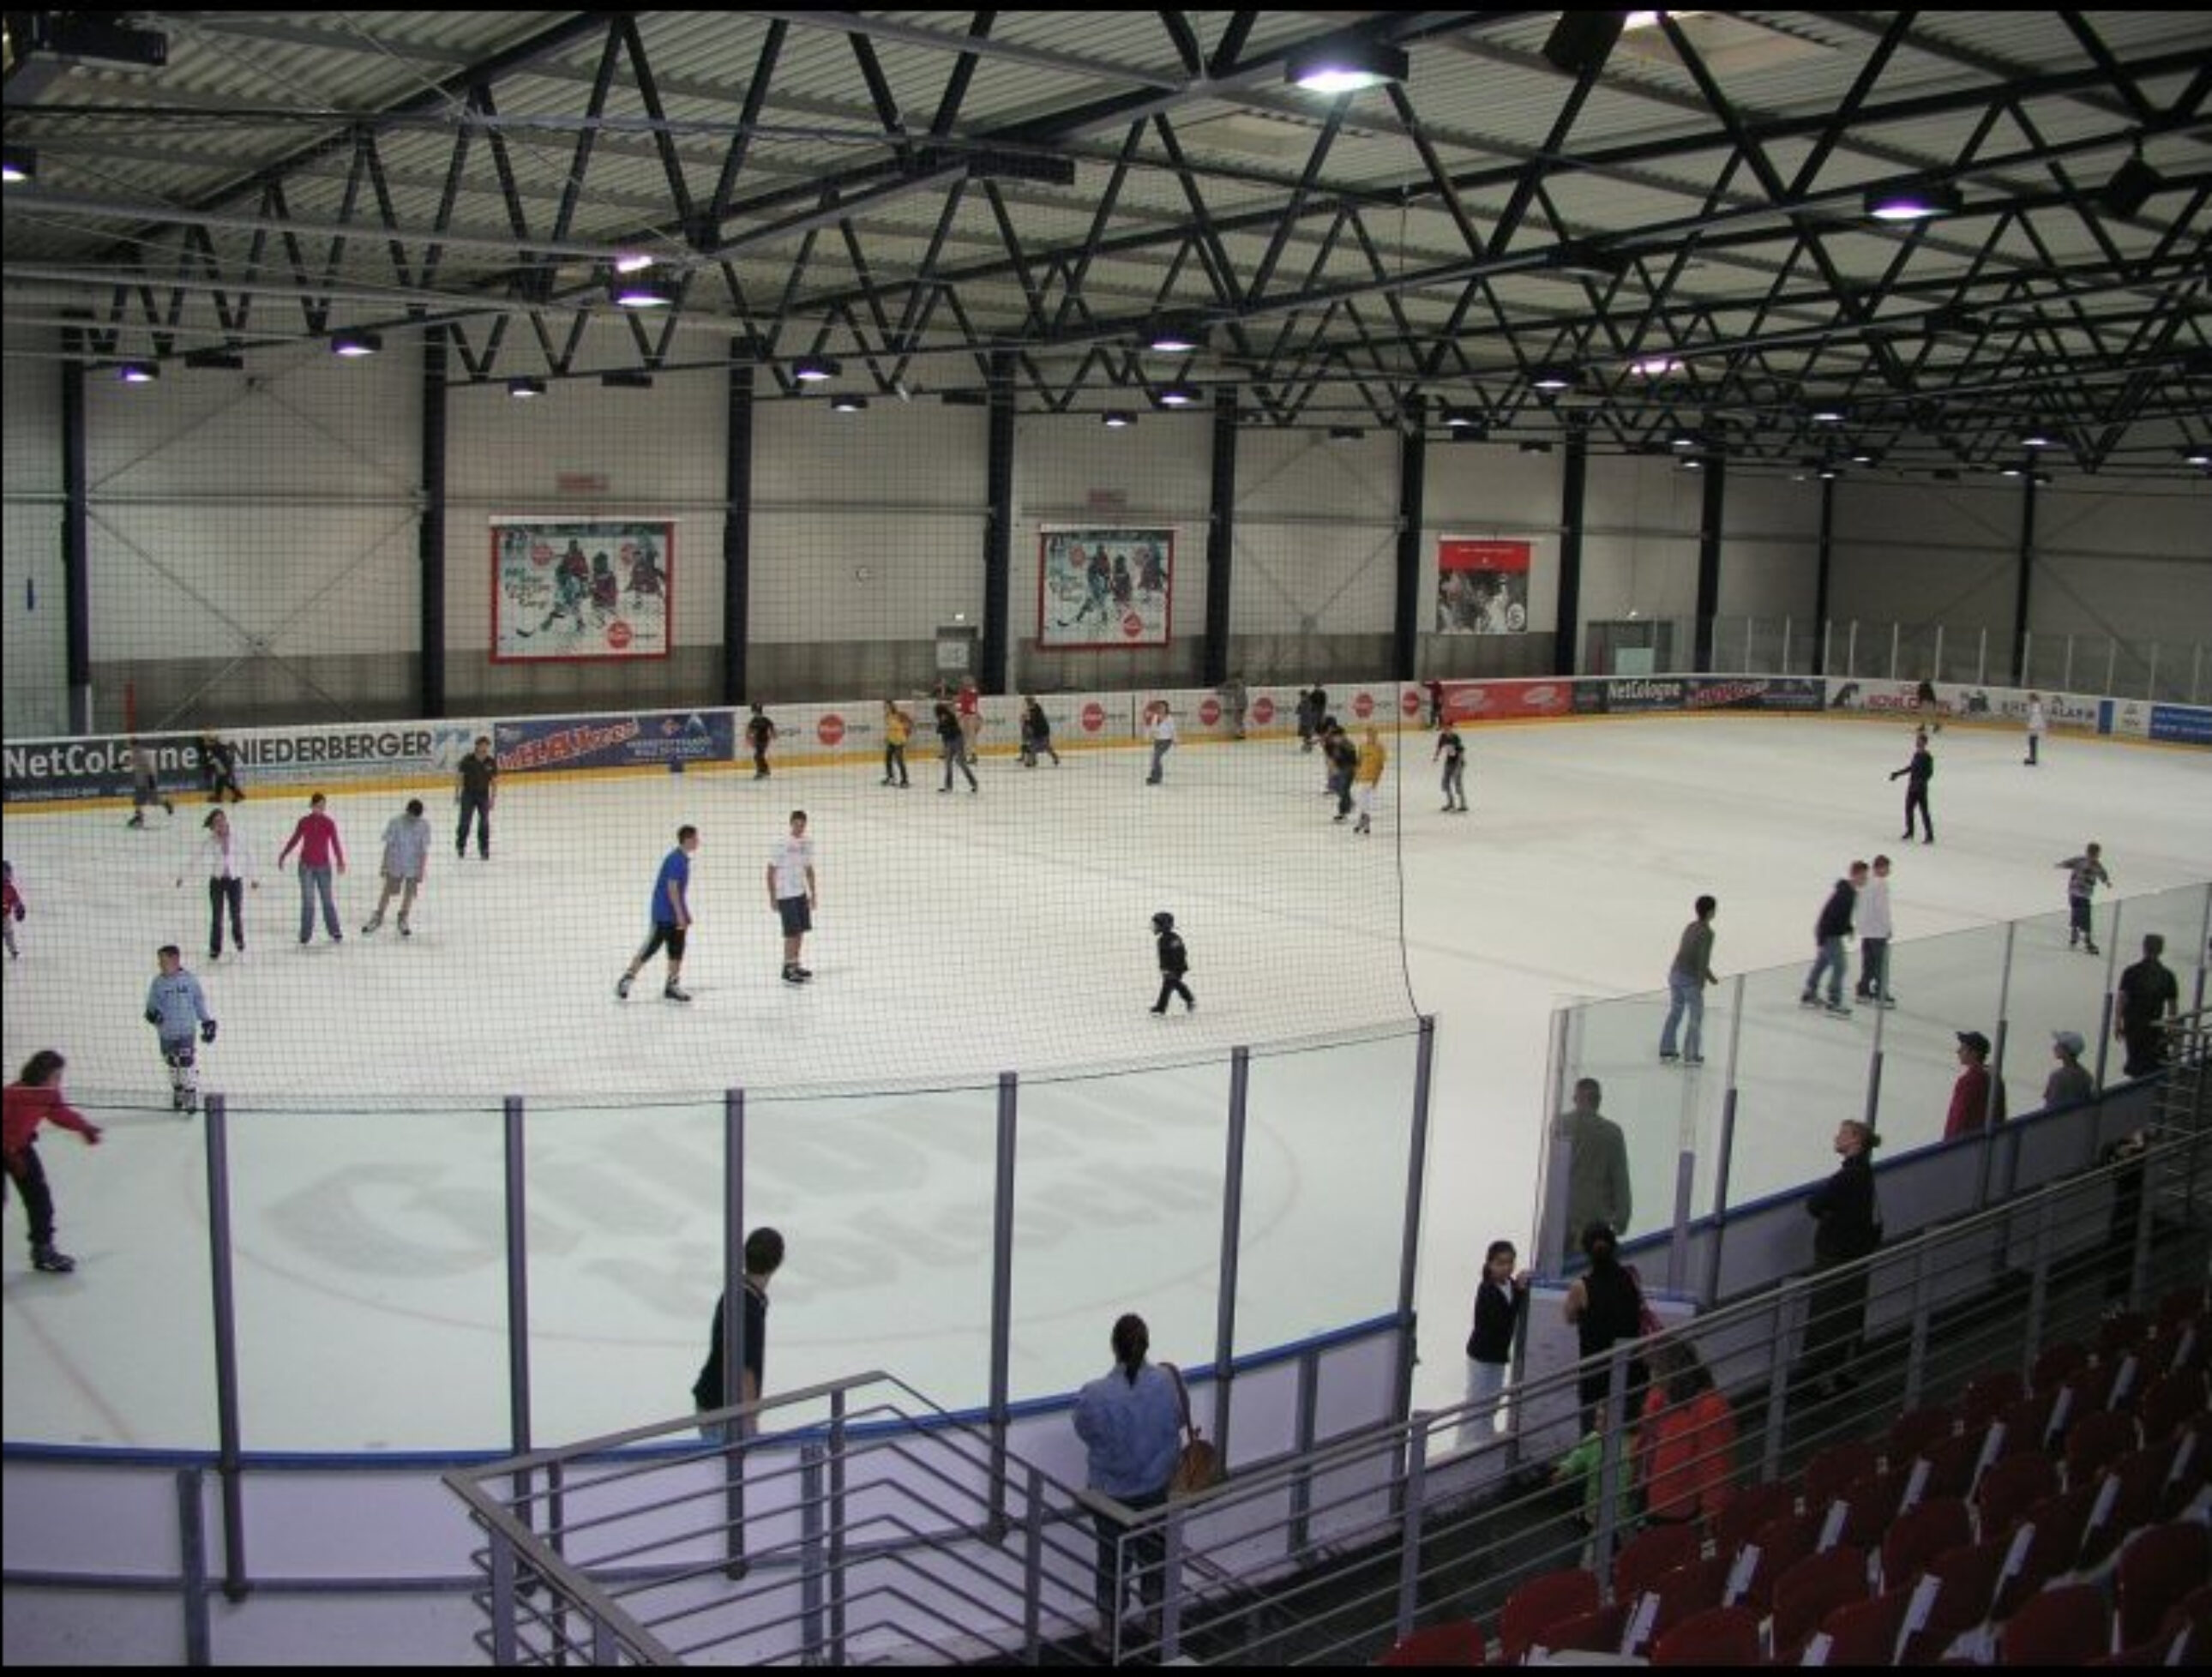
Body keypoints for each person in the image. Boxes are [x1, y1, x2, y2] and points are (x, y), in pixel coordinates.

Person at [1071, 1313, 1184, 1652]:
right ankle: (1156, 1621)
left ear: (1114, 1346)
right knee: (1154, 1555)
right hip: (1155, 1487)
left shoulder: (1095, 1395)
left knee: (1111, 1561)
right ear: (1146, 1345)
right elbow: (1177, 1419)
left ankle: (1109, 1631)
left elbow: (1085, 1429)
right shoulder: (1166, 1382)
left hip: (1111, 1494)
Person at [1794, 1120, 1882, 1402]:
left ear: (1855, 1140)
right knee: (1849, 1317)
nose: (1836, 1137)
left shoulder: (1847, 1177)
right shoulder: (1866, 1175)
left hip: (1836, 1259)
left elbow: (1814, 1205)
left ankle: (1824, 1379)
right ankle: (1844, 1370)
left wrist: (1829, 1217)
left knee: (1828, 1318)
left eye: (1842, 1133)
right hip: (1856, 1258)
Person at [3, 1050, 102, 1275]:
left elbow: (61, 1114)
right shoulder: (11, 1095)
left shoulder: (48, 1094)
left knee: (40, 1200)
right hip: (7, 1150)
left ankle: (43, 1250)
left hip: (21, 1148)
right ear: (41, 1074)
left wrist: (84, 1127)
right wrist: (10, 1154)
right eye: (56, 1075)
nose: (59, 1080)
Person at [691, 1226, 785, 1443]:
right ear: (779, 1262)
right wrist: (749, 1422)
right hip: (722, 1410)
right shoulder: (748, 1306)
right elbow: (745, 1370)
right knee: (732, 1459)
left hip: (713, 1400)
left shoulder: (739, 1291)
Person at [1635, 1339, 1737, 1529]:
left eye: (1655, 1371)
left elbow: (1715, 1467)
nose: (1652, 1380)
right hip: (1652, 1495)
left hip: (1682, 1506)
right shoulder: (1658, 1397)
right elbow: (1645, 1444)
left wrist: (1712, 1513)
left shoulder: (1709, 1408)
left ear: (1673, 1371)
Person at [1563, 1221, 1648, 1432]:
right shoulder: (1631, 1277)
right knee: (1629, 1434)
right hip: (1631, 1370)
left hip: (1596, 1373)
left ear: (1586, 1251)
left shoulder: (1581, 1287)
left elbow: (1569, 1317)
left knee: (1592, 1437)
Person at [618, 825, 699, 1003]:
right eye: (695, 838)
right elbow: (672, 889)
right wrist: (679, 914)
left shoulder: (682, 859)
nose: (698, 842)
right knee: (650, 948)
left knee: (677, 949)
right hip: (664, 914)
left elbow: (678, 891)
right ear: (687, 840)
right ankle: (627, 979)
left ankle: (672, 985)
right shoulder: (675, 860)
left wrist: (684, 913)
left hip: (676, 913)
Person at [1554, 1079, 1632, 1258]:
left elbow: (1552, 1173)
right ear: (1598, 1100)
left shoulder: (1560, 1125)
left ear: (1575, 1098)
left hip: (1562, 1219)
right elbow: (1620, 1180)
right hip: (1596, 1223)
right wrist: (1621, 1220)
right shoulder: (1612, 1132)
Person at [1464, 1239, 1529, 1440]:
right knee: (1477, 1401)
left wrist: (1519, 1288)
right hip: (1482, 1355)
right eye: (1500, 1263)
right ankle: (1470, 1441)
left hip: (1498, 1354)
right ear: (1490, 1264)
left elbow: (1512, 1308)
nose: (1506, 1268)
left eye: (1510, 1262)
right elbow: (1503, 1319)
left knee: (1493, 1401)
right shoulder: (1487, 1289)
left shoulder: (1510, 1285)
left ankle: (1485, 1436)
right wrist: (1520, 1291)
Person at [145, 945, 217, 1115]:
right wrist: (153, 1015)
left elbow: (198, 1002)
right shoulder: (158, 983)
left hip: (186, 1030)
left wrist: (207, 1021)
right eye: (160, 961)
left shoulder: (189, 980)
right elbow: (151, 1005)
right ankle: (177, 1089)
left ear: (176, 960)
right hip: (167, 1032)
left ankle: (190, 1093)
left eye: (164, 961)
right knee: (172, 1064)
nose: (160, 965)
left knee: (186, 1062)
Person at [181, 808, 257, 961]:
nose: (221, 823)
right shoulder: (210, 840)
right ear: (213, 825)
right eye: (217, 822)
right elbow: (196, 857)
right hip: (217, 881)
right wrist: (183, 876)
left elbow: (249, 855)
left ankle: (239, 941)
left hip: (235, 881)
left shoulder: (237, 836)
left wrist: (254, 878)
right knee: (217, 917)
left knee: (235, 914)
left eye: (222, 819)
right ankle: (215, 948)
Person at [277, 792, 347, 947]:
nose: (320, 809)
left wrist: (340, 860)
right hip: (306, 867)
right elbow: (295, 839)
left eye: (323, 806)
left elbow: (335, 843)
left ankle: (334, 930)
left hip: (323, 867)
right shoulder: (304, 822)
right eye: (317, 806)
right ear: (312, 806)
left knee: (327, 900)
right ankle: (305, 934)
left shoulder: (329, 823)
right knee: (308, 901)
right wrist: (284, 854)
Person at [1800, 862, 1867, 1017]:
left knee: (1822, 963)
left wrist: (1848, 928)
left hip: (1829, 933)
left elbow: (1841, 916)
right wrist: (1823, 937)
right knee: (1840, 966)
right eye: (1863, 876)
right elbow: (1831, 915)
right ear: (1855, 875)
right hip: (1830, 934)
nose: (1865, 879)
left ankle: (1809, 993)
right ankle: (1833, 1001)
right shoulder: (1845, 893)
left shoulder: (1849, 892)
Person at [1659, 896, 1719, 1065]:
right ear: (1710, 912)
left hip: (1675, 974)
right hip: (1689, 979)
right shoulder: (1707, 933)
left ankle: (1667, 1049)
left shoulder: (1690, 926)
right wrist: (1703, 981)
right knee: (1695, 1016)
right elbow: (1702, 959)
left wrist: (1710, 977)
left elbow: (1686, 950)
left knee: (1675, 1012)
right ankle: (1691, 1053)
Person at [363, 798, 430, 937]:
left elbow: (424, 850)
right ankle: (379, 914)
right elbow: (388, 845)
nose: (414, 819)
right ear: (407, 812)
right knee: (387, 890)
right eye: (412, 816)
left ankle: (403, 916)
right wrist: (384, 865)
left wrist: (421, 870)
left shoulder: (424, 825)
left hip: (413, 865)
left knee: (409, 893)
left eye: (417, 817)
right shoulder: (395, 822)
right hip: (395, 863)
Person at [2115, 934, 2179, 1079]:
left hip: (2134, 1024)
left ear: (2144, 948)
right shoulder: (2167, 975)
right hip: (2154, 1025)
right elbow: (2172, 1006)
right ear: (2161, 950)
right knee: (2153, 1061)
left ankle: (2138, 1084)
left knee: (2136, 1060)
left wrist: (2118, 1022)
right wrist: (2172, 1028)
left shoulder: (2131, 972)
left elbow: (2122, 999)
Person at [768, 810, 817, 987]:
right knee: (791, 933)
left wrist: (813, 893)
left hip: (800, 893)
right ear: (791, 824)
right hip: (785, 894)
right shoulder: (781, 843)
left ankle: (795, 963)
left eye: (802, 825)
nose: (799, 828)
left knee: (801, 930)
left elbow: (809, 869)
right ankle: (787, 969)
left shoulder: (807, 843)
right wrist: (773, 897)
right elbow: (770, 871)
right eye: (797, 824)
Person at [1944, 1030, 2006, 1139]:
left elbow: (1959, 1116)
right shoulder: (1994, 1079)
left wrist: (1948, 1143)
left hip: (1965, 1142)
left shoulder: (1970, 1080)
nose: (1958, 1051)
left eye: (1963, 1048)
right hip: (1986, 1140)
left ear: (1974, 1053)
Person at [1855, 853, 1896, 1007]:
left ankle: (1863, 992)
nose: (1889, 871)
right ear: (1881, 867)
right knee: (1881, 964)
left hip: (1866, 931)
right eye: (1887, 867)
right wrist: (1888, 927)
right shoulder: (1881, 884)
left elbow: (1860, 905)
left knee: (1868, 964)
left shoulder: (1866, 881)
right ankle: (1880, 994)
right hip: (1878, 931)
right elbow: (1882, 908)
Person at [2058, 844, 2111, 955]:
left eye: (2095, 854)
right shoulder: (2081, 861)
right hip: (2075, 893)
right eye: (2092, 854)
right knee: (2077, 914)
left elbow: (2103, 875)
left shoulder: (2096, 865)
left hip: (2084, 895)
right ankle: (2077, 937)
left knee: (2084, 916)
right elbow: (2069, 863)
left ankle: (2083, 938)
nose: (2094, 856)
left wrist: (2106, 882)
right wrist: (2061, 864)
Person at [456, 735, 498, 860]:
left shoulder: (491, 762)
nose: (485, 748)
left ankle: (484, 849)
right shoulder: (467, 760)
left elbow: (494, 781)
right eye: (482, 745)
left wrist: (492, 798)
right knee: (465, 822)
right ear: (477, 746)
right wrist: (457, 793)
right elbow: (460, 777)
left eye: (487, 746)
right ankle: (461, 845)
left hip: (483, 795)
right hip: (468, 795)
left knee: (484, 823)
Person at [1890, 734, 1934, 843]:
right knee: (1908, 810)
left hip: (1921, 789)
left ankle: (1930, 835)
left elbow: (1930, 773)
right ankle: (1910, 832)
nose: (1917, 742)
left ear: (1924, 743)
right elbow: (1911, 768)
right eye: (1917, 740)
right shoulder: (1916, 755)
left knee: (1924, 812)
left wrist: (1921, 782)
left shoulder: (1927, 756)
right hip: (1912, 787)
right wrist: (1897, 774)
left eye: (1919, 741)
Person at [1149, 911, 1194, 1015]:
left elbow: (1179, 953)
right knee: (1170, 986)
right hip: (1172, 968)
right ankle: (1162, 1007)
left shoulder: (1168, 939)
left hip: (1174, 968)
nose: (1154, 927)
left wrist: (1170, 969)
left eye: (1157, 925)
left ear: (1164, 926)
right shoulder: (1167, 938)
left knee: (1172, 985)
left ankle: (1189, 1000)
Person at [125, 739, 174, 828]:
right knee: (137, 800)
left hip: (148, 780)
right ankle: (139, 818)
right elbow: (131, 761)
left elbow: (149, 767)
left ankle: (165, 802)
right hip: (140, 781)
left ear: (133, 745)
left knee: (153, 800)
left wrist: (151, 779)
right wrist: (120, 765)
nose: (127, 745)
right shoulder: (135, 753)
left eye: (128, 744)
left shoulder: (142, 754)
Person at [2043, 1030, 2095, 1109]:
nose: (2055, 1047)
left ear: (2067, 1050)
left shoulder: (2057, 1077)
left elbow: (2049, 1109)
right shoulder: (2086, 1076)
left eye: (2059, 1044)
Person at [935, 699, 977, 794]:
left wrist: (943, 728)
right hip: (949, 742)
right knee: (948, 765)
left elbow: (951, 730)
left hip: (957, 740)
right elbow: (938, 730)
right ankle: (948, 787)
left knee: (961, 763)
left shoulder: (950, 716)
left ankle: (974, 784)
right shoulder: (941, 719)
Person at [1351, 726, 1386, 836]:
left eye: (1373, 735)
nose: (1371, 737)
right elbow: (1359, 762)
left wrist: (1377, 779)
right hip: (1362, 778)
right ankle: (1364, 822)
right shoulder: (1362, 746)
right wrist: (1356, 775)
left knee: (1366, 800)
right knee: (1362, 801)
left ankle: (1363, 822)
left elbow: (1381, 766)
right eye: (1369, 735)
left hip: (1371, 779)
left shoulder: (1380, 748)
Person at [1324, 721, 1360, 822]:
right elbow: (1330, 758)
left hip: (1349, 769)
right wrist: (1333, 769)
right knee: (1334, 786)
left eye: (1338, 736)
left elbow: (1354, 762)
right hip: (1338, 768)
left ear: (1343, 736)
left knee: (1344, 789)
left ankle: (1343, 813)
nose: (1335, 738)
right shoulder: (1330, 744)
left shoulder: (1349, 746)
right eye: (1334, 737)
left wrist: (1356, 773)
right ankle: (1349, 802)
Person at [199, 731, 245, 803]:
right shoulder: (221, 746)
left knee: (220, 781)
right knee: (224, 782)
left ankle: (220, 797)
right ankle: (238, 794)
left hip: (224, 767)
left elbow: (207, 744)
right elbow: (209, 745)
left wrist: (205, 737)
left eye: (212, 740)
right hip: (225, 766)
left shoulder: (216, 747)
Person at [1434, 722, 1468, 814]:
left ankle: (1463, 804)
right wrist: (1436, 756)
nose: (1446, 731)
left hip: (1458, 762)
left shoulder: (1456, 738)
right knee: (1445, 782)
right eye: (1445, 729)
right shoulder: (1442, 737)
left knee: (1457, 782)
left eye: (1448, 729)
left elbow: (1461, 752)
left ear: (1452, 729)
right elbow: (1439, 747)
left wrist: (1458, 766)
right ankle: (1451, 803)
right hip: (1449, 762)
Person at [1019, 695, 1061, 767]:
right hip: (1036, 730)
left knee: (1045, 746)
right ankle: (1032, 760)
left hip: (1042, 730)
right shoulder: (1031, 710)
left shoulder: (1037, 709)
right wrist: (1026, 721)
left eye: (1028, 701)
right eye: (1027, 702)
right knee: (1033, 745)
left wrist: (1026, 721)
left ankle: (1055, 757)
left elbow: (1033, 720)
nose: (1027, 703)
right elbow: (1030, 721)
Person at [1144, 701, 1176, 785]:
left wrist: (1175, 740)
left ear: (1166, 708)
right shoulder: (1155, 716)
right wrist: (1150, 735)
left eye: (1163, 707)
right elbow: (1153, 727)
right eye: (1160, 707)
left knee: (1156, 757)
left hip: (1166, 741)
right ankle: (1154, 777)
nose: (1161, 708)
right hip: (1157, 741)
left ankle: (1156, 778)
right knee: (1155, 759)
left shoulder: (1169, 718)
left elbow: (1173, 730)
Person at [881, 700, 912, 788]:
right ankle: (890, 777)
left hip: (899, 741)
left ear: (892, 706)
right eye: (885, 707)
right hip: (891, 741)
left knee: (899, 761)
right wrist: (887, 737)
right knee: (887, 759)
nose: (885, 708)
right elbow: (890, 728)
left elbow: (909, 724)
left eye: (887, 706)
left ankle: (905, 780)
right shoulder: (887, 717)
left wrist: (906, 735)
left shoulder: (900, 715)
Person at [745, 705, 777, 780]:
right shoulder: (755, 720)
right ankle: (765, 770)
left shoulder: (763, 720)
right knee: (759, 756)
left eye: (754, 711)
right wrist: (749, 738)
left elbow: (771, 726)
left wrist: (773, 733)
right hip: (758, 740)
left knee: (758, 756)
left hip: (764, 740)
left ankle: (761, 771)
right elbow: (749, 730)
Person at [957, 678, 983, 766]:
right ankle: (964, 755)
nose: (966, 686)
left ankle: (972, 755)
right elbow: (961, 706)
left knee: (971, 737)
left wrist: (975, 714)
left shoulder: (972, 692)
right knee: (964, 737)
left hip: (970, 716)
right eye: (965, 684)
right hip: (966, 716)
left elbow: (971, 705)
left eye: (968, 684)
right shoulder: (963, 693)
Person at [2, 861, 23, 960]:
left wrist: (19, 908)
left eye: (8, 872)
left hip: (5, 916)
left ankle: (13, 951)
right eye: (5, 873)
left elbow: (16, 900)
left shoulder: (10, 889)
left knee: (9, 933)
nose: (7, 875)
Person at [1218, 674, 1247, 741]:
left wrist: (1222, 691)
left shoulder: (1239, 686)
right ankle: (1241, 733)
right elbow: (1231, 690)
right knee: (1239, 720)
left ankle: (1240, 734)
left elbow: (1232, 693)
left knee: (1238, 720)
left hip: (1240, 704)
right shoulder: (1240, 685)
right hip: (1243, 704)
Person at [2023, 692, 2047, 766]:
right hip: (2036, 726)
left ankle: (2033, 759)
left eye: (2029, 698)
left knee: (2032, 742)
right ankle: (2032, 757)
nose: (2028, 700)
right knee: (2032, 742)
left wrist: (2032, 726)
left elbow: (2035, 717)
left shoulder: (2035, 706)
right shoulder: (2036, 705)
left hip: (2035, 727)